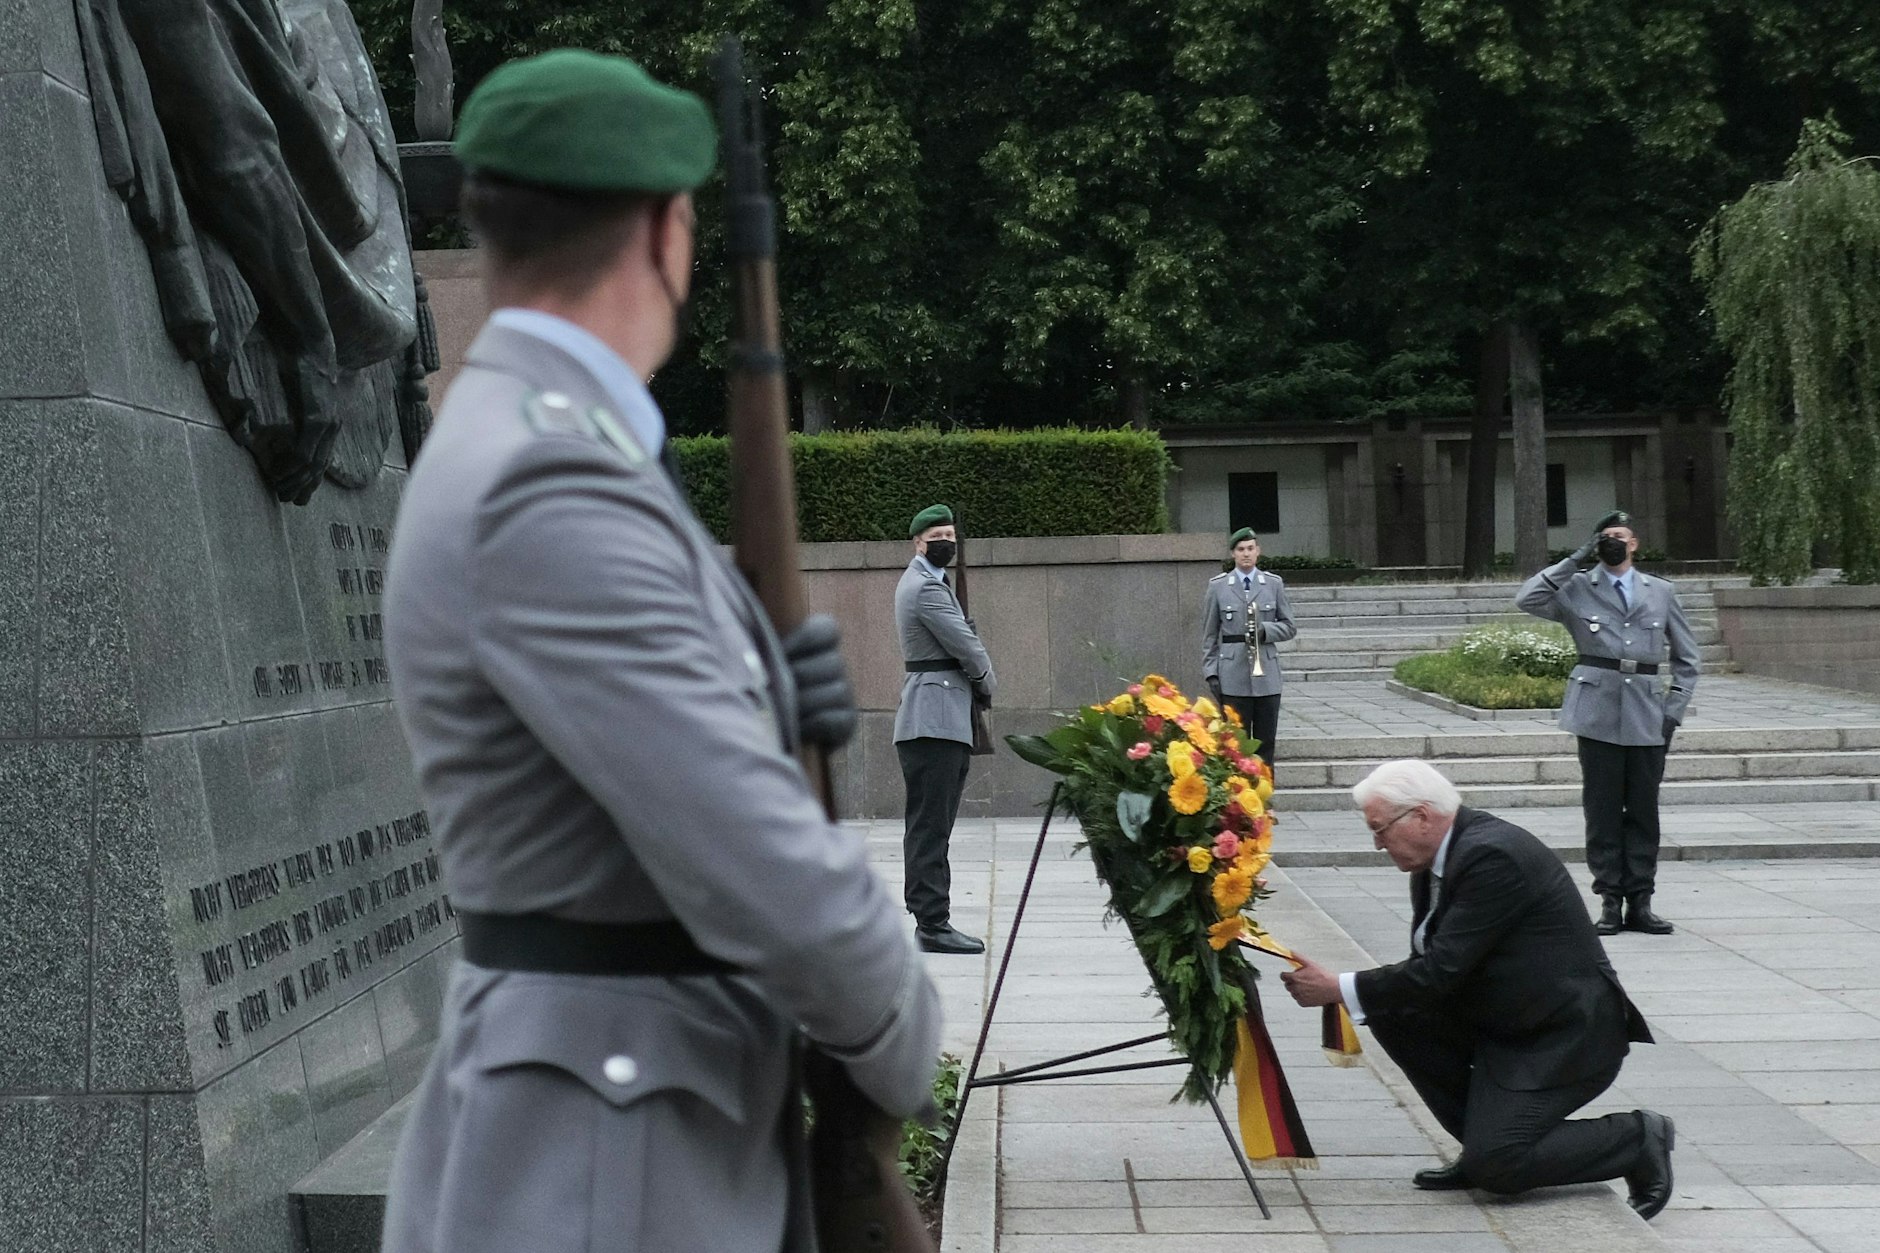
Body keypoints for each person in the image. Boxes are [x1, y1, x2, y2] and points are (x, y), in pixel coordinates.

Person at [378, 50, 941, 1253]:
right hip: (608, 1163)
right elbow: (762, 867)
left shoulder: (534, 441)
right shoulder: (551, 477)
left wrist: (751, 678)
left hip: (608, 1125)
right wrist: (900, 1023)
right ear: (664, 226)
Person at [1280, 760, 1675, 1218]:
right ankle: (1485, 1137)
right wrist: (1354, 990)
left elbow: (1441, 971)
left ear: (1422, 817)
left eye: (1380, 829)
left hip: (1563, 1037)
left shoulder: (1493, 856)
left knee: (1499, 1167)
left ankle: (1635, 1137)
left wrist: (1337, 987)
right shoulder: (1438, 858)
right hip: (1505, 1023)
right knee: (1393, 1008)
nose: (1377, 843)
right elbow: (1430, 966)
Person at [1517, 509, 1700, 935]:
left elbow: (1688, 660)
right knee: (1601, 810)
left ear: (1635, 544)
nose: (1615, 542)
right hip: (1597, 713)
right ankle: (1609, 903)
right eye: (1606, 537)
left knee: (1642, 811)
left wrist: (1673, 710)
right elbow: (1527, 599)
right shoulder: (1578, 587)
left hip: (1648, 715)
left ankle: (1641, 901)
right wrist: (1576, 558)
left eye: (1621, 536)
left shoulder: (1661, 592)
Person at [894, 504, 996, 955]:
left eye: (952, 534)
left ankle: (933, 918)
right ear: (919, 541)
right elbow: (969, 648)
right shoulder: (926, 589)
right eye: (938, 534)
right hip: (934, 716)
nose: (947, 542)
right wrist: (987, 682)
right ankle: (932, 923)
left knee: (933, 824)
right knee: (931, 825)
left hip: (939, 713)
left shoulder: (930, 584)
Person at [1200, 527, 1297, 767]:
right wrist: (1211, 671)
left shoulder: (1273, 584)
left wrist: (1266, 630)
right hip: (1233, 675)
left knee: (1266, 744)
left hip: (1266, 675)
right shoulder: (1219, 587)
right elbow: (1209, 635)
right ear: (1233, 554)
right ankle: (1238, 802)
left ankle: (1265, 800)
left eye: (1250, 549)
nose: (1246, 554)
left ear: (1258, 551)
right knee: (1235, 746)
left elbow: (1289, 626)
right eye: (1241, 549)